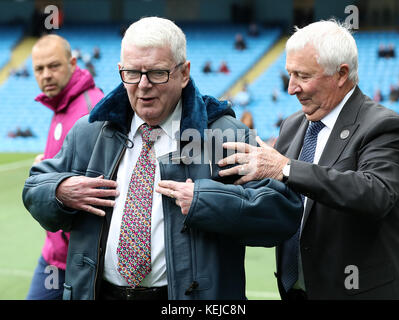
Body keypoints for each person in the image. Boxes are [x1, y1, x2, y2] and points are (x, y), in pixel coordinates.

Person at [23, 17, 302, 300]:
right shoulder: (91, 131)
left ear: (184, 73)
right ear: (121, 70)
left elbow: (281, 214)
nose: (143, 85)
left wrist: (206, 200)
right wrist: (60, 191)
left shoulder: (223, 135)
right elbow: (34, 187)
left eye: (157, 73)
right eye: (132, 73)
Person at [218, 20, 399, 300]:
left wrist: (285, 167)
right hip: (294, 291)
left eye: (303, 76)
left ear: (341, 74)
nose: (291, 88)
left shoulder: (383, 126)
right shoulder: (292, 125)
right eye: (289, 74)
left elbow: (375, 194)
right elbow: (276, 198)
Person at [26, 34, 104, 300]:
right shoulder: (61, 105)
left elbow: (102, 181)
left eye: (54, 66)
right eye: (39, 68)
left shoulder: (91, 109)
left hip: (80, 259)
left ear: (72, 63)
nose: (46, 75)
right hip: (54, 255)